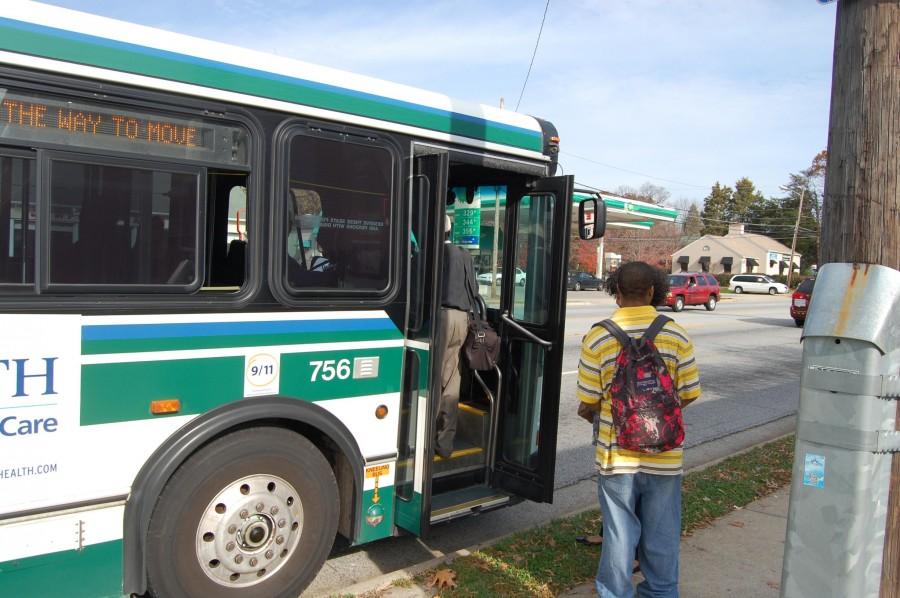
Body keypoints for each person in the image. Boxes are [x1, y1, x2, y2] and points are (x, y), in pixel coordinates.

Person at [577, 261, 701, 598]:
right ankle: (660, 592)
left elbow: (587, 399)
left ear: (616, 294)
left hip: (616, 456)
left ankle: (615, 593)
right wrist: (656, 419)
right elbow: (688, 393)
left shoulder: (598, 336)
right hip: (665, 456)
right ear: (652, 292)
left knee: (619, 532)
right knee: (662, 533)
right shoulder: (676, 333)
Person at [435, 214, 478, 459]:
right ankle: (445, 443)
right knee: (452, 379)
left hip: (438, 318)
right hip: (462, 319)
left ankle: (424, 436)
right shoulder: (465, 256)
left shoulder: (431, 254)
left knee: (430, 379)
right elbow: (474, 289)